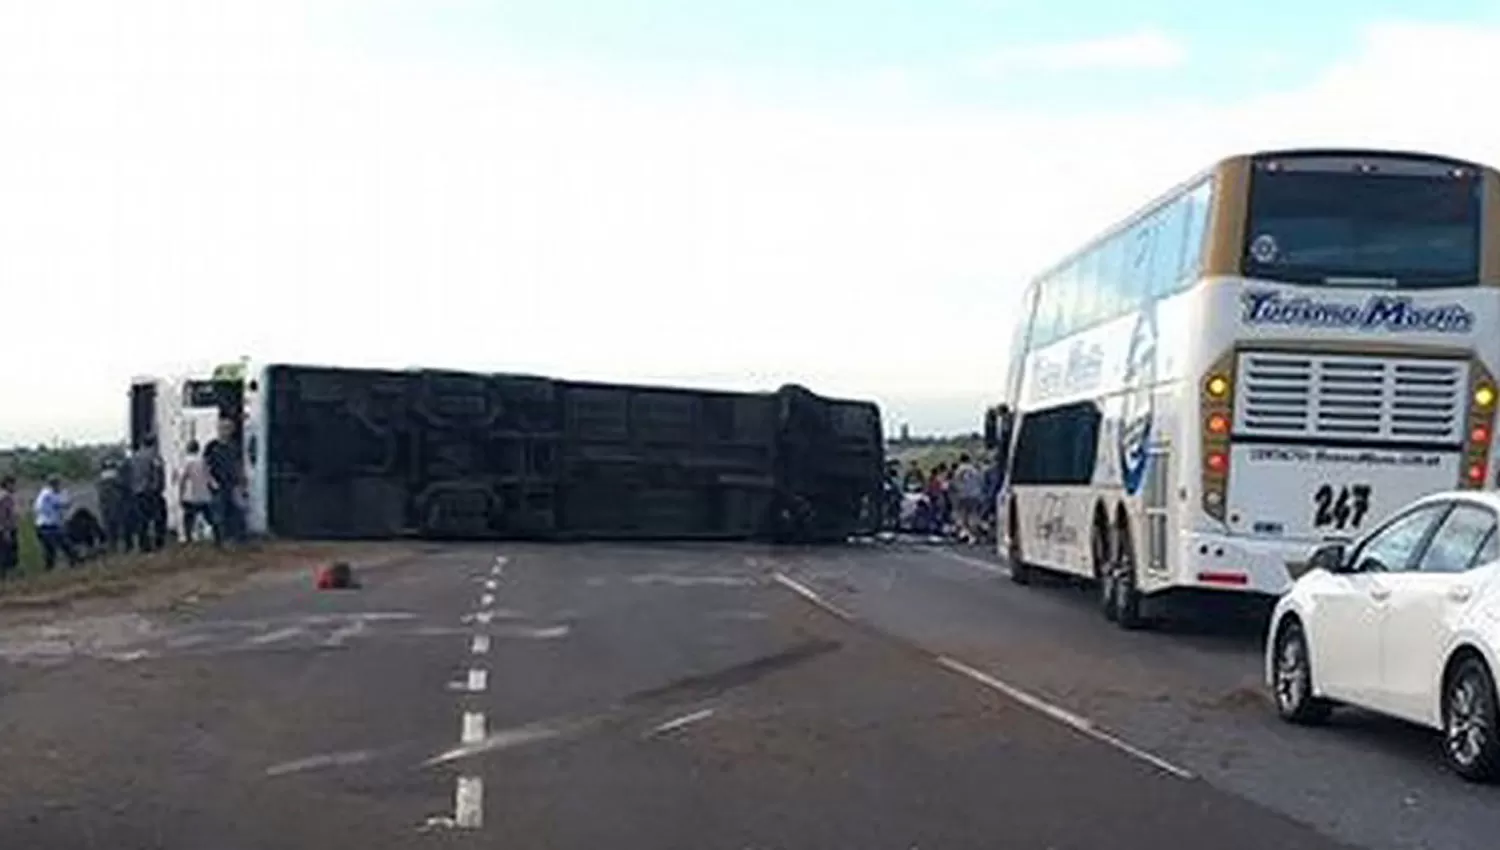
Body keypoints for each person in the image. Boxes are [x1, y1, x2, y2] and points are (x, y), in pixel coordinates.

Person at [204, 418, 245, 546]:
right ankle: (219, 540)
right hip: (217, 483)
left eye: (229, 428)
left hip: (232, 483)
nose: (226, 431)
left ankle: (234, 538)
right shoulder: (212, 446)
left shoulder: (234, 446)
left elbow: (238, 464)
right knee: (218, 512)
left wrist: (241, 481)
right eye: (224, 428)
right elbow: (205, 465)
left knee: (235, 510)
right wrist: (211, 480)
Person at [129, 437, 168, 551]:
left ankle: (144, 545)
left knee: (142, 520)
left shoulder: (134, 458)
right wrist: (158, 488)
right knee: (159, 517)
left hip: (137, 492)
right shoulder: (155, 457)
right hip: (150, 491)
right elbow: (158, 474)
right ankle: (159, 543)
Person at [33, 475, 79, 570]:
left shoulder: (43, 494)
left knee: (50, 551)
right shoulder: (49, 494)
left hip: (43, 525)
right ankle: (73, 565)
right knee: (65, 546)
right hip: (50, 525)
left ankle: (50, 569)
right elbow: (65, 504)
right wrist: (69, 496)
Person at [178, 440, 214, 542]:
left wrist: (180, 495)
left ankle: (188, 536)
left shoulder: (186, 462)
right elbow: (209, 477)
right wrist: (214, 487)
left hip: (190, 494)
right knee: (209, 516)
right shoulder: (203, 461)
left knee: (188, 517)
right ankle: (217, 535)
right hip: (204, 494)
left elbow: (182, 479)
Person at [97, 457, 129, 553]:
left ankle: (112, 547)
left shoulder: (101, 480)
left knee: (109, 526)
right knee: (120, 524)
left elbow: (100, 496)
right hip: (116, 503)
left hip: (106, 505)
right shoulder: (116, 477)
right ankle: (124, 546)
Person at [950, 453, 984, 541]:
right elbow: (981, 481)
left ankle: (967, 534)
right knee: (974, 514)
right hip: (975, 494)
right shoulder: (975, 470)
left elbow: (955, 482)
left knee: (963, 515)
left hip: (963, 494)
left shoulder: (959, 470)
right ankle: (975, 534)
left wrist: (956, 493)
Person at [0, 474, 18, 576]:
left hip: (5, 528)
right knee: (7, 554)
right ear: (7, 484)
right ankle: (5, 577)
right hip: (6, 529)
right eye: (13, 484)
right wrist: (6, 530)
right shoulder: (5, 497)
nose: (14, 487)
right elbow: (3, 515)